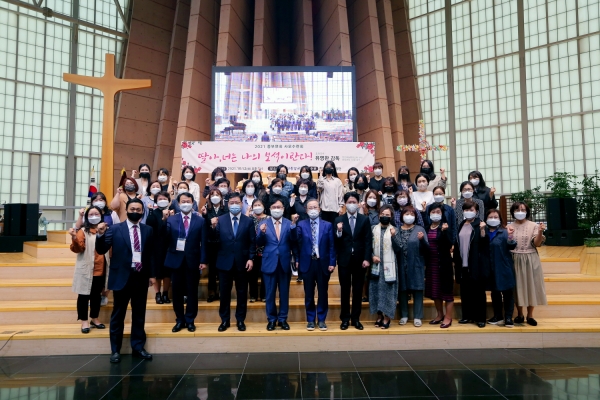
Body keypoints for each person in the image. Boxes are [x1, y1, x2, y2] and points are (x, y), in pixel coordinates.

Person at [95, 198, 155, 363]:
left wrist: (152, 275)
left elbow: (150, 255)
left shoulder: (148, 230)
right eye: (132, 209)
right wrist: (100, 234)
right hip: (121, 277)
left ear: (142, 212)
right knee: (118, 315)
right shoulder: (114, 229)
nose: (135, 211)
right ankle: (115, 350)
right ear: (127, 210)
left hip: (140, 277)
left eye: (138, 209)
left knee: (139, 315)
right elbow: (101, 249)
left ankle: (138, 347)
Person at [210, 193, 256, 332]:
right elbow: (213, 241)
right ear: (228, 204)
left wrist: (251, 258)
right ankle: (225, 320)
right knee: (224, 293)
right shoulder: (220, 220)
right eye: (231, 203)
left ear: (241, 204)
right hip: (224, 262)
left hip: (242, 262)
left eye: (237, 202)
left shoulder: (248, 221)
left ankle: (240, 320)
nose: (234, 205)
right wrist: (212, 228)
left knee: (242, 293)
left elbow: (252, 242)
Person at [164, 191, 208, 333]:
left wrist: (203, 260)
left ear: (193, 203)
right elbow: (164, 239)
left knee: (192, 291)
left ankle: (190, 320)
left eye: (188, 201)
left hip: (193, 260)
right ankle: (179, 320)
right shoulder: (171, 219)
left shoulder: (200, 220)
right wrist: (163, 221)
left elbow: (204, 242)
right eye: (183, 201)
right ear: (178, 203)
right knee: (176, 292)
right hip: (176, 260)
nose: (186, 204)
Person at [256, 199, 297, 331]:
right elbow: (258, 243)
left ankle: (283, 319)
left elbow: (294, 241)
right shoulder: (263, 223)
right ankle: (272, 320)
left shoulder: (289, 223)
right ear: (270, 208)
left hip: (284, 262)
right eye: (274, 206)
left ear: (283, 209)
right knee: (269, 294)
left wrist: (294, 229)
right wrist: (261, 233)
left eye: (279, 207)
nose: (276, 209)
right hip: (269, 263)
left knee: (284, 293)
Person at [295, 199, 335, 331]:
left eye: (315, 207)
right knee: (309, 294)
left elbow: (331, 246)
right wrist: (293, 226)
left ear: (319, 209)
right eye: (310, 207)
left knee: (323, 293)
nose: (313, 209)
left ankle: (322, 319)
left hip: (323, 263)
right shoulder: (301, 224)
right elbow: (296, 243)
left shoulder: (327, 225)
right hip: (307, 263)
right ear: (306, 210)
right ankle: (311, 320)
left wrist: (332, 262)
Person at [334, 192, 372, 330]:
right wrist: (338, 232)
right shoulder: (338, 220)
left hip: (360, 261)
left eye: (354, 202)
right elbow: (335, 242)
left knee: (357, 291)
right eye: (349, 202)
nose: (351, 204)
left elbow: (368, 241)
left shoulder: (364, 219)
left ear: (358, 203)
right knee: (345, 290)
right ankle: (344, 319)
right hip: (344, 261)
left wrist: (367, 258)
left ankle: (355, 319)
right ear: (345, 204)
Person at [508, 202, 547, 326]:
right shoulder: (509, 226)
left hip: (530, 258)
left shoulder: (534, 225)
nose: (520, 212)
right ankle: (520, 314)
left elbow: (537, 243)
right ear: (513, 212)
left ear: (527, 211)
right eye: (517, 209)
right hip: (514, 258)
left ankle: (530, 315)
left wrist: (540, 232)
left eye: (523, 209)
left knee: (532, 286)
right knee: (517, 286)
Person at [69, 206, 107, 334]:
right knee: (84, 295)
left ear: (101, 215)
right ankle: (84, 321)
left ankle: (94, 318)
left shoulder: (106, 230)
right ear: (87, 217)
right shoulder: (83, 231)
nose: (94, 216)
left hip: (101, 269)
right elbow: (77, 249)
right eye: (91, 214)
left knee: (97, 296)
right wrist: (74, 238)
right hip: (86, 269)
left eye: (96, 213)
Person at [454, 200, 489, 328]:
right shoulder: (462, 224)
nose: (469, 212)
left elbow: (485, 244)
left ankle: (480, 318)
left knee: (478, 293)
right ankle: (467, 316)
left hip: (476, 264)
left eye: (471, 210)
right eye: (466, 210)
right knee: (465, 292)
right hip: (463, 264)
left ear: (477, 211)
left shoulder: (480, 224)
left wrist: (483, 231)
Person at [369, 205, 402, 329]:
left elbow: (399, 249)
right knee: (376, 291)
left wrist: (393, 236)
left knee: (388, 293)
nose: (385, 217)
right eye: (383, 214)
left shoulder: (395, 230)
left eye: (387, 215)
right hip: (376, 266)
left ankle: (387, 317)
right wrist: (372, 256)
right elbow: (368, 246)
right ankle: (379, 315)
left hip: (390, 267)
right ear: (379, 216)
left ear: (391, 217)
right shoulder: (373, 229)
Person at [396, 206, 429, 327]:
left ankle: (417, 316)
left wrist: (422, 240)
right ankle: (404, 315)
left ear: (415, 217)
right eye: (406, 213)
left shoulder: (420, 229)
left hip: (416, 264)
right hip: (401, 264)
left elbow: (427, 249)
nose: (409, 216)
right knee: (402, 290)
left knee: (417, 290)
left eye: (411, 214)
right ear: (402, 216)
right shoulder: (397, 229)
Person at [484, 209, 517, 328]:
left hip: (503, 266)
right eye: (490, 217)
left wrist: (510, 237)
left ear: (500, 219)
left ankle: (508, 317)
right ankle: (498, 315)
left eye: (495, 217)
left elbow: (512, 245)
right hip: (490, 267)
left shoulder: (504, 231)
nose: (493, 219)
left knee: (508, 292)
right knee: (495, 292)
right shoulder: (484, 232)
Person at [424, 203, 455, 328]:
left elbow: (450, 244)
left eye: (438, 212)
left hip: (444, 264)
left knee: (447, 292)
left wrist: (444, 232)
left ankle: (448, 317)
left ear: (442, 214)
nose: (435, 214)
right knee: (435, 292)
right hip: (431, 264)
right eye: (433, 212)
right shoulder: (426, 228)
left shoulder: (446, 227)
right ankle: (439, 314)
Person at [202, 188, 229, 303]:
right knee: (212, 270)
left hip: (223, 243)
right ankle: (212, 292)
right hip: (210, 242)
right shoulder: (206, 209)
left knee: (222, 270)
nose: (215, 197)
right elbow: (203, 225)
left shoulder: (226, 209)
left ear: (221, 197)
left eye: (217, 194)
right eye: (212, 194)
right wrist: (207, 219)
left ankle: (223, 292)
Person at [145, 191, 172, 305]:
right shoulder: (153, 213)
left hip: (170, 246)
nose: (162, 200)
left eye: (165, 198)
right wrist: (163, 220)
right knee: (157, 271)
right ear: (156, 201)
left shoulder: (173, 213)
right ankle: (158, 294)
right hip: (156, 246)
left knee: (167, 272)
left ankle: (165, 293)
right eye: (160, 198)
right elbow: (153, 231)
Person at [249, 199, 268, 302]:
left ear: (263, 206)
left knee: (265, 274)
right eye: (255, 205)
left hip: (265, 250)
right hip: (252, 250)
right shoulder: (249, 218)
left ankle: (264, 295)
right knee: (252, 275)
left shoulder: (269, 218)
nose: (257, 206)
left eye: (259, 205)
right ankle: (253, 295)